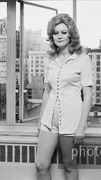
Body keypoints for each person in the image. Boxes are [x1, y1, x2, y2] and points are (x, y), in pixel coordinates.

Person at [36, 13, 93, 180]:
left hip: (71, 121)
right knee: (41, 165)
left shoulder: (83, 59)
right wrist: (40, 119)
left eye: (63, 32)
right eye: (55, 32)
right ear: (51, 36)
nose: (59, 36)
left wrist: (82, 126)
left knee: (69, 166)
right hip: (49, 121)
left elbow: (88, 95)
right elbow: (47, 91)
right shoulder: (49, 60)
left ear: (71, 35)